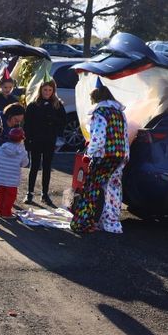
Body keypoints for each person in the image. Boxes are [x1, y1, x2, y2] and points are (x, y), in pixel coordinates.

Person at [70, 82, 129, 234]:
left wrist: (89, 153)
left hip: (103, 156)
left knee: (91, 189)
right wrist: (125, 155)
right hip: (119, 155)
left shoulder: (100, 112)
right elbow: (125, 135)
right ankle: (112, 224)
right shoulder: (120, 113)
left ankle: (83, 223)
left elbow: (99, 138)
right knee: (113, 188)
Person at [23, 78, 65, 206]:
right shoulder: (33, 105)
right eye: (45, 90)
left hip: (49, 140)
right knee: (34, 166)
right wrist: (27, 140)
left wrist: (53, 120)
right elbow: (27, 124)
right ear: (40, 90)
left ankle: (44, 193)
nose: (47, 92)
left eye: (50, 90)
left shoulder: (57, 105)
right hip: (35, 140)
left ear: (53, 91)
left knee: (47, 167)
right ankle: (29, 192)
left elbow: (63, 123)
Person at [0, 127, 30, 218]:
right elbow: (25, 163)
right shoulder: (21, 151)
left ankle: (0, 210)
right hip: (12, 179)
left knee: (0, 194)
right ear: (21, 139)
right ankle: (6, 213)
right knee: (9, 197)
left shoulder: (3, 147)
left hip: (1, 177)